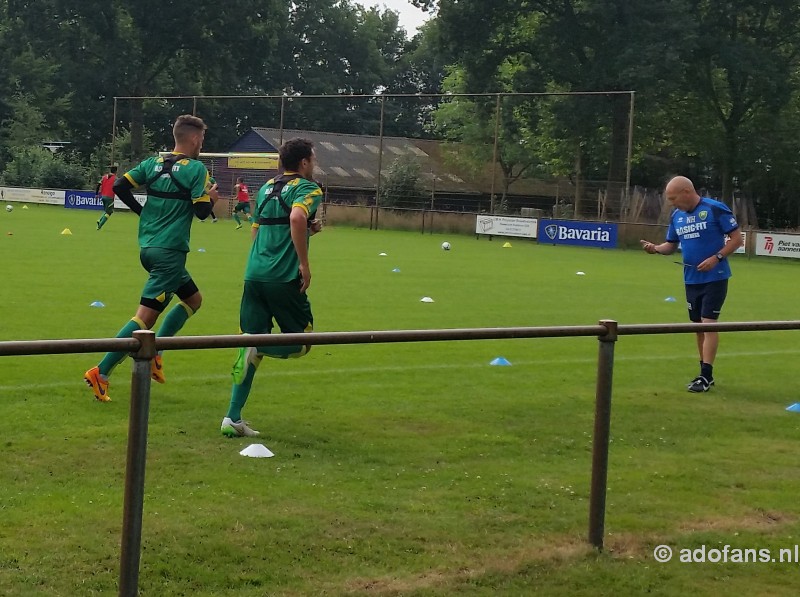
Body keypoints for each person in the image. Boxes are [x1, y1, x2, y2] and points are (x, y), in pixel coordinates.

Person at [84, 114, 219, 402]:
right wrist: (212, 199)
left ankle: (157, 353)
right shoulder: (196, 170)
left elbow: (121, 186)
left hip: (149, 248)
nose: (202, 145)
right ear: (195, 139)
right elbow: (201, 212)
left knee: (193, 299)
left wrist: (141, 211)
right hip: (170, 253)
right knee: (143, 319)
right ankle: (102, 371)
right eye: (202, 140)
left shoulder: (152, 163)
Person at [221, 138, 323, 437]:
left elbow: (258, 228)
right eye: (312, 159)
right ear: (303, 162)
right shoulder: (308, 188)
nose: (314, 164)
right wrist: (303, 263)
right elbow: (295, 216)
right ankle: (257, 344)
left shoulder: (267, 187)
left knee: (250, 346)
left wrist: (305, 235)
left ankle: (232, 418)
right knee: (302, 342)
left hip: (254, 275)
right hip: (282, 278)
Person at [640, 175, 743, 393]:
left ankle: (705, 376)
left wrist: (717, 258)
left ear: (687, 192)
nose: (671, 203)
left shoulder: (715, 209)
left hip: (715, 277)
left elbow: (736, 239)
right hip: (691, 279)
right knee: (697, 326)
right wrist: (655, 248)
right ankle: (703, 372)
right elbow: (670, 245)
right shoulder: (677, 216)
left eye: (673, 198)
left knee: (708, 322)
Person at [95, 165, 117, 230]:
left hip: (103, 196)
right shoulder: (115, 178)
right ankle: (100, 225)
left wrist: (96, 194)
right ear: (116, 171)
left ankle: (100, 220)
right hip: (110, 197)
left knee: (106, 210)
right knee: (109, 212)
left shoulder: (104, 177)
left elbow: (98, 185)